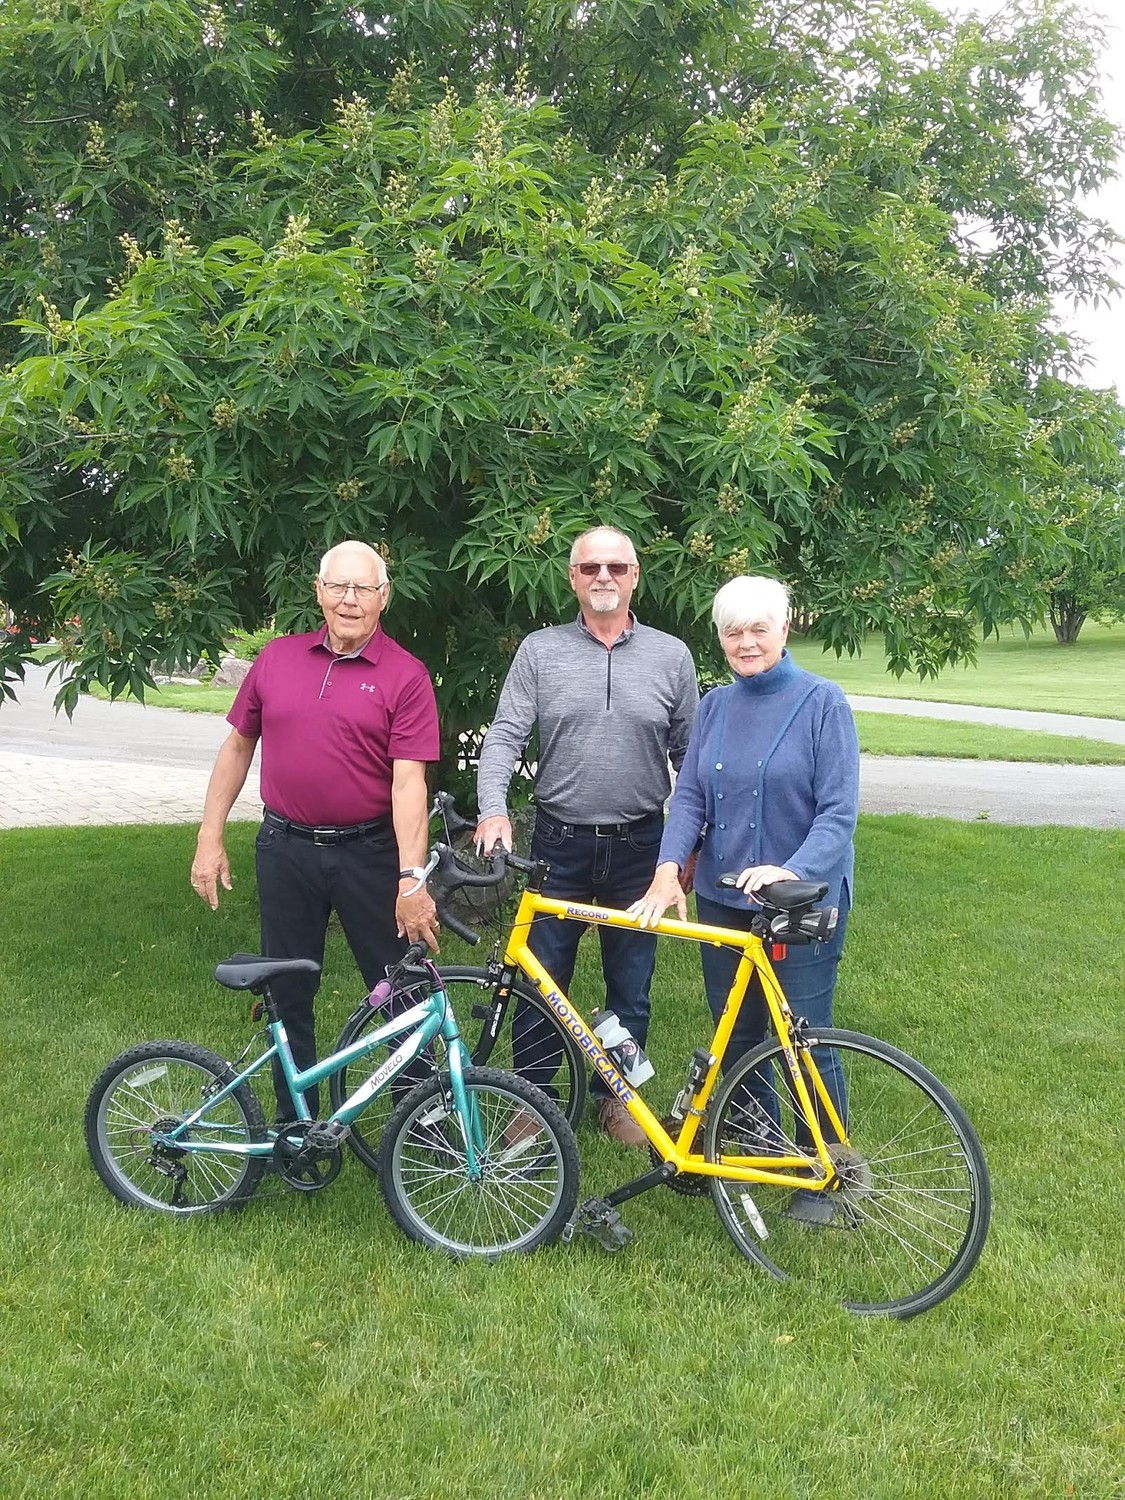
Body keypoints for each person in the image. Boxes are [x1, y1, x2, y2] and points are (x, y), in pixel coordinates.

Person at [629, 575, 859, 1217]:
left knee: (802, 1038)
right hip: (725, 898)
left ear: (786, 629)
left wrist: (788, 869)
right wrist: (669, 866)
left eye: (760, 628)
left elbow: (838, 815)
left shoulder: (824, 703)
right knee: (740, 1035)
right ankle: (759, 1145)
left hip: (803, 900)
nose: (747, 641)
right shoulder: (716, 706)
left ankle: (832, 1167)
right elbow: (693, 798)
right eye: (734, 630)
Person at [190, 540, 440, 1121]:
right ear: (319, 592)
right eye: (338, 587)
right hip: (286, 849)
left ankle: (422, 1126)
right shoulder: (276, 659)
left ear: (384, 597)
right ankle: (293, 1124)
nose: (349, 600)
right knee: (287, 991)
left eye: (363, 589)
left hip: (369, 853)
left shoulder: (406, 675)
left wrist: (410, 879)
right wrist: (209, 835)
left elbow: (409, 786)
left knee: (403, 990)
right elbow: (237, 747)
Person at [475, 525, 699, 1146]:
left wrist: (691, 844)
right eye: (591, 568)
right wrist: (493, 808)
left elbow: (696, 758)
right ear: (572, 578)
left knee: (632, 979)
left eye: (617, 568)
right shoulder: (540, 652)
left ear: (635, 576)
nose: (605, 578)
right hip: (558, 842)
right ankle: (535, 1099)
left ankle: (617, 1098)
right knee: (543, 975)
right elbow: (505, 736)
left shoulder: (671, 656)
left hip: (639, 847)